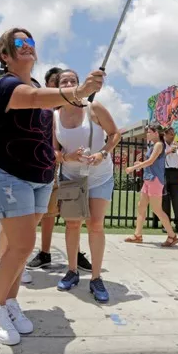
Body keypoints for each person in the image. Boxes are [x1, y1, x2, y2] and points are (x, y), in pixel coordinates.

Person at [0, 27, 104, 346]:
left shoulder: (35, 86)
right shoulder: (7, 85)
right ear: (5, 55)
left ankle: (9, 302)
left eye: (30, 42)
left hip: (39, 178)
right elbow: (33, 99)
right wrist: (77, 92)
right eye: (18, 43)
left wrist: (54, 164)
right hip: (9, 174)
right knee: (20, 247)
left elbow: (48, 134)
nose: (27, 46)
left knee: (21, 250)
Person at [53, 69, 120, 303]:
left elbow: (114, 134)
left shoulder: (94, 108)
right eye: (64, 81)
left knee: (95, 225)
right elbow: (55, 152)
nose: (69, 83)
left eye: (73, 80)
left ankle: (95, 277)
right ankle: (72, 271)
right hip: (72, 178)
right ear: (59, 87)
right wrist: (67, 157)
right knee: (72, 225)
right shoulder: (55, 116)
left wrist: (102, 154)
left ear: (79, 84)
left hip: (100, 175)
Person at [27, 67, 92, 272]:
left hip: (66, 167)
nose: (62, 87)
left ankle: (76, 253)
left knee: (74, 214)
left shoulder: (77, 107)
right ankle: (45, 252)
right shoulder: (44, 107)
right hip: (44, 165)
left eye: (64, 82)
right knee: (47, 213)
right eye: (56, 83)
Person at [124, 124, 178, 246]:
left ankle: (172, 236)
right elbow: (150, 163)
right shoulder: (153, 145)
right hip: (148, 179)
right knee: (141, 206)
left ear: (156, 133)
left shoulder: (159, 145)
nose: (147, 134)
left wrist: (134, 167)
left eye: (149, 132)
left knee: (157, 210)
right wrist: (140, 163)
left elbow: (150, 161)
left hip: (155, 181)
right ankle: (137, 235)